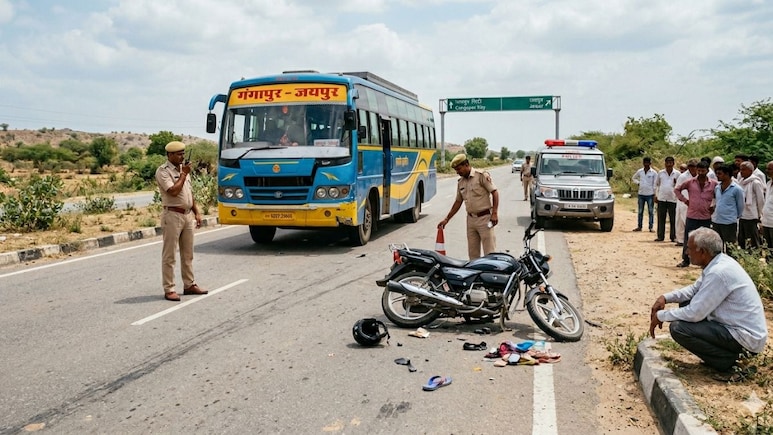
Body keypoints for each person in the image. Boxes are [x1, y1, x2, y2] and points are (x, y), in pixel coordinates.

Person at [649, 227, 767, 379]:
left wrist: (661, 315)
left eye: (690, 248)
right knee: (685, 303)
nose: (686, 252)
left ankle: (730, 363)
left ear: (703, 252)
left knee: (679, 328)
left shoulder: (719, 272)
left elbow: (695, 313)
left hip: (745, 338)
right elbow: (694, 290)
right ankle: (724, 357)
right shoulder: (718, 262)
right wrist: (665, 297)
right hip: (734, 328)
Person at [155, 141, 207, 302]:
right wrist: (183, 174)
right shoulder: (163, 171)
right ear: (169, 155)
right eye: (178, 154)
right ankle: (169, 288)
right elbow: (173, 191)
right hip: (172, 215)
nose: (182, 156)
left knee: (188, 254)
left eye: (183, 153)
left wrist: (196, 212)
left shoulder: (184, 169)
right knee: (170, 255)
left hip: (187, 215)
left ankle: (189, 284)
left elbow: (189, 193)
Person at [438, 154, 499, 260]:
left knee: (490, 254)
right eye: (456, 170)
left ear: (466, 164)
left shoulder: (481, 176)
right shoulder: (460, 182)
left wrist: (494, 213)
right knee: (473, 254)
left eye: (459, 169)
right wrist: (446, 219)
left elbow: (495, 192)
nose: (457, 172)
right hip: (471, 220)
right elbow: (458, 202)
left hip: (485, 219)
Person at [674, 161, 717, 267]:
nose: (701, 172)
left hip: (705, 216)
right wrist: (685, 200)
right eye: (699, 170)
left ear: (707, 170)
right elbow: (677, 190)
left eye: (703, 170)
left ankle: (706, 262)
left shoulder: (714, 184)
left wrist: (714, 206)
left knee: (705, 240)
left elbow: (719, 196)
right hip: (692, 215)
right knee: (688, 239)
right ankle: (686, 260)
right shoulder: (690, 182)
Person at [711, 164, 744, 250]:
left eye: (719, 173)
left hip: (729, 223)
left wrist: (733, 216)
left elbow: (740, 206)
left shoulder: (737, 189)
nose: (717, 176)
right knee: (717, 248)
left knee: (731, 248)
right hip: (717, 221)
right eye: (716, 173)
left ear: (727, 174)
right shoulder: (717, 188)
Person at [738, 161, 765, 249]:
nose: (741, 172)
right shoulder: (741, 181)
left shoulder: (755, 182)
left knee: (752, 240)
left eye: (744, 170)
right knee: (742, 239)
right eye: (740, 170)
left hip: (751, 215)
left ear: (750, 171)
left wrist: (760, 215)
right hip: (742, 214)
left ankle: (754, 257)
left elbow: (760, 200)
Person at [654, 156, 679, 242]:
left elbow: (680, 186)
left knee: (673, 219)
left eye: (670, 163)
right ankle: (660, 236)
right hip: (662, 198)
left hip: (673, 199)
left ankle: (673, 236)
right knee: (661, 218)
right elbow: (656, 184)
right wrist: (656, 195)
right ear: (665, 163)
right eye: (667, 162)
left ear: (673, 163)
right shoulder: (660, 173)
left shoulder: (677, 173)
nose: (669, 164)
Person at [674, 160, 697, 247]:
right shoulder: (683, 176)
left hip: (694, 202)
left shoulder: (699, 176)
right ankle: (680, 240)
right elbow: (677, 189)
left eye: (694, 166)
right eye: (690, 166)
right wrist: (683, 200)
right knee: (681, 221)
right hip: (683, 201)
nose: (692, 168)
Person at [631, 156, 657, 232]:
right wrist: (638, 183)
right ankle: (639, 226)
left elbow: (655, 184)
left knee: (651, 211)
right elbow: (633, 178)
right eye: (645, 163)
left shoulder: (654, 173)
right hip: (641, 194)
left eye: (648, 163)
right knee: (640, 211)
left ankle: (651, 227)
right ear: (643, 163)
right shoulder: (640, 171)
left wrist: (655, 194)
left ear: (650, 163)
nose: (646, 164)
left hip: (650, 194)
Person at [762, 161, 773, 251]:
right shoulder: (769, 183)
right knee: (768, 249)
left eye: (769, 169)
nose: (767, 171)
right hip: (766, 222)